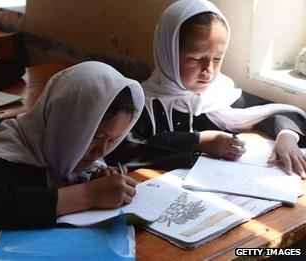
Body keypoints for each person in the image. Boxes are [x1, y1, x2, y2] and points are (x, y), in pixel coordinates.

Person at [106, 0, 306, 177]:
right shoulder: (143, 103)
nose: (208, 70)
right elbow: (122, 148)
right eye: (195, 58)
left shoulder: (220, 95)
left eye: (217, 58)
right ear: (168, 52)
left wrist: (286, 137)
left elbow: (279, 112)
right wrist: (199, 141)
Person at [0, 61, 145, 232]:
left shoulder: (83, 159)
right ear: (64, 121)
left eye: (112, 140)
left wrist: (96, 181)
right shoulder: (11, 150)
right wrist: (89, 194)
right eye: (96, 136)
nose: (101, 151)